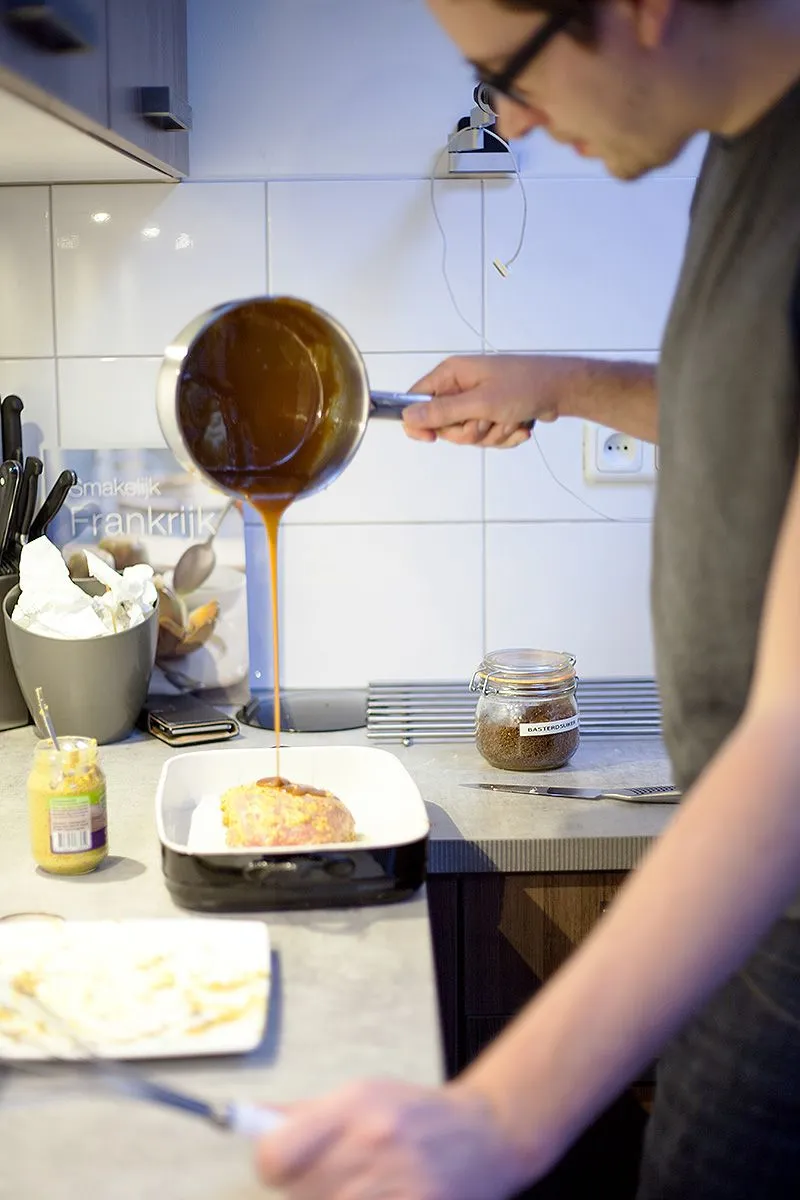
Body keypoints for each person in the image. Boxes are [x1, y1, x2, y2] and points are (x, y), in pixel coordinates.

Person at [256, 0, 800, 1195]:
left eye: (503, 72)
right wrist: (561, 382)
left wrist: (498, 1112)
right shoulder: (746, 150)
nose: (510, 117)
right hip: (750, 921)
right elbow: (763, 395)